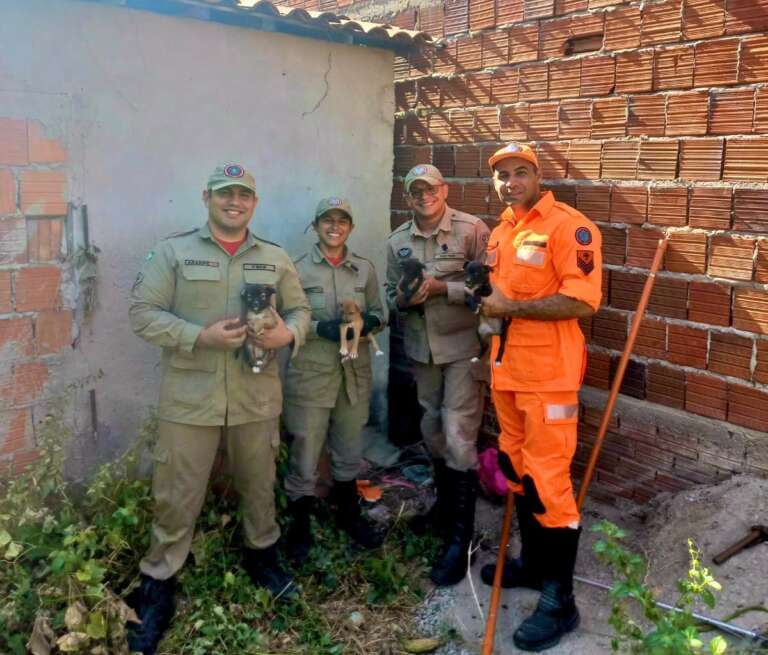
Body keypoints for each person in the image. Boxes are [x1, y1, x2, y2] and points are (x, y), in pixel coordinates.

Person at [127, 164, 311, 655]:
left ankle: (263, 558)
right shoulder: (174, 251)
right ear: (207, 197)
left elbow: (301, 311)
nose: (235, 202)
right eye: (226, 194)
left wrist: (286, 333)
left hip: (256, 395)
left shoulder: (273, 257)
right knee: (176, 493)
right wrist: (198, 337)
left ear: (255, 202)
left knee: (258, 482)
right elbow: (142, 313)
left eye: (244, 195)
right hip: (190, 399)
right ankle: (158, 585)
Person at [478, 143, 602, 652]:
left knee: (550, 483)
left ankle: (560, 600)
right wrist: (491, 314)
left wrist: (512, 306)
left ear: (538, 175)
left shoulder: (569, 227)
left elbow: (582, 300)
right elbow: (497, 298)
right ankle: (532, 564)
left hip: (549, 379)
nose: (511, 181)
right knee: (517, 469)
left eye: (520, 172)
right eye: (502, 175)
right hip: (507, 373)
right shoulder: (503, 231)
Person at [385, 164, 489, 586]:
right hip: (421, 349)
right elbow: (392, 299)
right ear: (407, 197)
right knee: (432, 427)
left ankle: (463, 538)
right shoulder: (396, 242)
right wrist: (407, 298)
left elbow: (491, 290)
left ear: (444, 190)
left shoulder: (470, 229)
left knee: (459, 432)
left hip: (463, 347)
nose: (423, 196)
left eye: (430, 189)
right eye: (415, 191)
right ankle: (446, 512)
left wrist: (445, 289)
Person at [282, 197, 386, 560]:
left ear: (351, 228)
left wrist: (366, 324)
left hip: (353, 376)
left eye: (342, 221)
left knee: (349, 447)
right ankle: (299, 524)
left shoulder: (364, 269)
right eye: (328, 220)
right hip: (311, 376)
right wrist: (320, 328)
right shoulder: (295, 269)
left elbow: (380, 313)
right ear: (316, 225)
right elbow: (284, 320)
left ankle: (348, 514)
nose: (335, 227)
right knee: (305, 451)